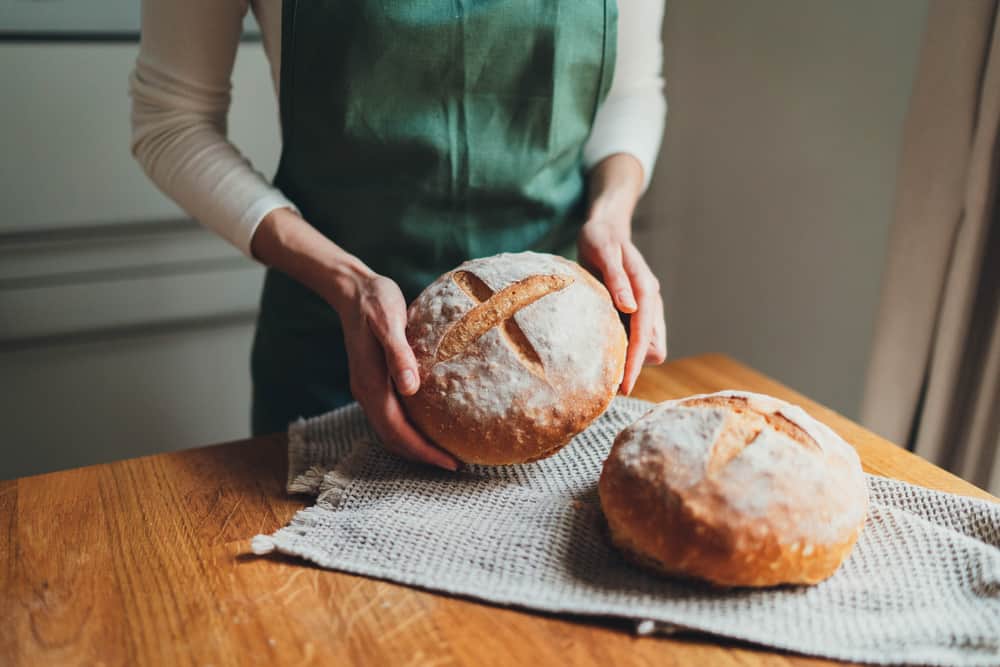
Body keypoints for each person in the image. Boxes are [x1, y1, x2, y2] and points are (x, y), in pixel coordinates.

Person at [131, 0, 667, 471]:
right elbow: (172, 123)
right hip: (333, 349)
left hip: (562, 363)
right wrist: (346, 282)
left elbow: (631, 92)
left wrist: (611, 214)